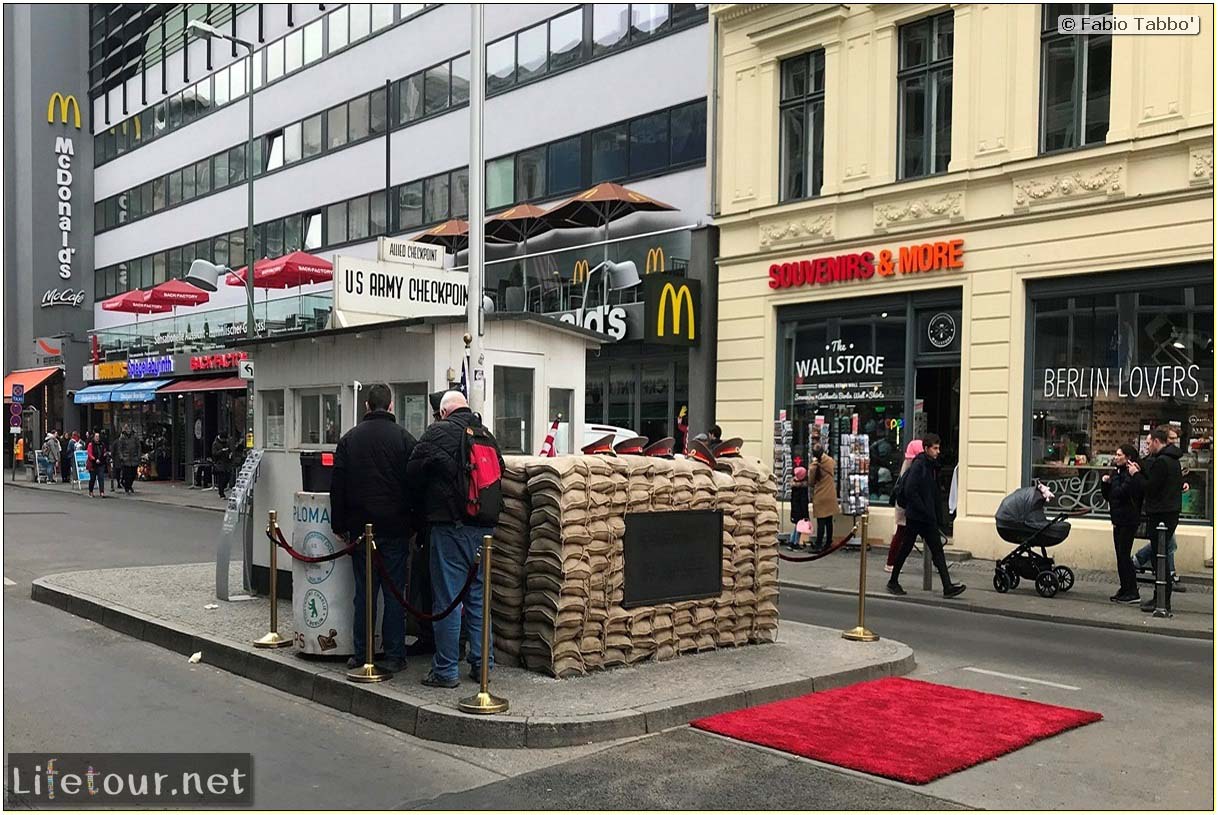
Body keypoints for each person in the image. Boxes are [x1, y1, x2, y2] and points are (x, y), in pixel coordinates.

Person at [407, 391, 503, 688]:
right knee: (477, 597)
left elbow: (411, 475)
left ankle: (446, 669)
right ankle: (482, 663)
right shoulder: (486, 434)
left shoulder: (438, 432)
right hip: (484, 530)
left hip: (449, 528)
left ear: (444, 412)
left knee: (447, 600)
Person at [330, 383, 417, 672]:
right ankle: (394, 655)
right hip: (396, 528)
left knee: (364, 593)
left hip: (361, 529)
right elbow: (415, 483)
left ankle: (362, 652)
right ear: (391, 406)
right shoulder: (405, 439)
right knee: (394, 595)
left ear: (367, 406)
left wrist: (339, 524)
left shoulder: (349, 440)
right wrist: (414, 523)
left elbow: (337, 486)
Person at [887, 433, 965, 598]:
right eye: (935, 448)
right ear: (926, 448)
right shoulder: (919, 466)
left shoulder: (931, 466)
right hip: (917, 516)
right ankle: (893, 581)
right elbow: (910, 490)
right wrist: (924, 509)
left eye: (938, 448)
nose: (938, 451)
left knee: (936, 550)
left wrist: (936, 515)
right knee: (906, 547)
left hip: (925, 516)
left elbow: (933, 493)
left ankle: (947, 586)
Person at [1133, 426, 1187, 592]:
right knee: (1163, 551)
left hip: (1160, 513)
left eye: (1150, 444)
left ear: (1157, 442)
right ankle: (1161, 596)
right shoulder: (1173, 460)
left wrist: (1136, 474)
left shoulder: (1161, 461)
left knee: (1160, 556)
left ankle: (1162, 599)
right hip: (1171, 511)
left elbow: (1150, 488)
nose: (1148, 447)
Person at [1100, 444, 1145, 604]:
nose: (1116, 457)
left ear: (1128, 458)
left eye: (1119, 455)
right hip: (1118, 519)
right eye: (1116, 454)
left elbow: (1121, 493)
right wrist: (1105, 483)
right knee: (1120, 555)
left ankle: (1131, 590)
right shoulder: (1117, 473)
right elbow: (1108, 496)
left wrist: (1112, 486)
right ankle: (1125, 587)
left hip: (1128, 519)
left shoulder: (1130, 474)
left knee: (1124, 555)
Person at [885, 440, 922, 573]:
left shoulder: (908, 464)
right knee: (902, 534)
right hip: (905, 506)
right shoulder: (912, 467)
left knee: (904, 535)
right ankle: (891, 562)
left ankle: (893, 563)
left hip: (904, 505)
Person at [808, 442, 837, 552]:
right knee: (829, 520)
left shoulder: (814, 466)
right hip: (830, 494)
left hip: (820, 495)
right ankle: (828, 542)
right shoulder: (829, 461)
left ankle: (819, 544)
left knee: (821, 521)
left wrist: (813, 465)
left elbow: (811, 481)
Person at [786, 466, 810, 550]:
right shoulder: (802, 489)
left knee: (796, 526)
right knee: (798, 528)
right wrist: (806, 515)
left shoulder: (794, 487)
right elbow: (803, 502)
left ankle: (792, 541)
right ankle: (794, 542)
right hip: (800, 511)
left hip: (795, 510)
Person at [113, 427, 140, 494]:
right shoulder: (122, 438)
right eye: (127, 429)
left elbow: (138, 447)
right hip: (126, 459)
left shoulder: (135, 437)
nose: (128, 431)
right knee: (127, 474)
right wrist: (122, 457)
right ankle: (127, 487)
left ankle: (129, 485)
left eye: (129, 429)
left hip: (134, 459)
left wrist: (138, 456)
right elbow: (120, 449)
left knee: (133, 474)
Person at [86, 432, 108, 497]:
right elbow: (89, 454)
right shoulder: (91, 444)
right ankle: (91, 491)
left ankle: (102, 492)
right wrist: (95, 459)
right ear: (94, 437)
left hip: (101, 464)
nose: (97, 438)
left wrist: (102, 457)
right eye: (96, 436)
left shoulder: (102, 444)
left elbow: (104, 452)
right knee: (92, 478)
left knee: (101, 478)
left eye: (98, 437)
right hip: (93, 464)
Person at [211, 433, 231, 498]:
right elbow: (214, 453)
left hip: (226, 462)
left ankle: (223, 487)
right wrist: (221, 451)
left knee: (228, 476)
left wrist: (230, 453)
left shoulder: (226, 442)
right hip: (219, 463)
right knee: (221, 478)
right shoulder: (215, 444)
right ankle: (221, 493)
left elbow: (229, 449)